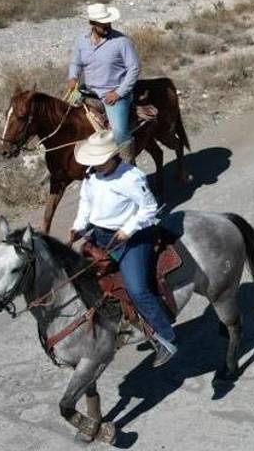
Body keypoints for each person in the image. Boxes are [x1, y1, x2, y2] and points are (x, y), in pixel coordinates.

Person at [70, 130, 177, 365]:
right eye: (93, 162)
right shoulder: (91, 176)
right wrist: (78, 226)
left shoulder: (130, 177)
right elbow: (85, 204)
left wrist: (128, 229)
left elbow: (149, 208)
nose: (95, 166)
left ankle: (166, 337)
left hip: (133, 238)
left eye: (99, 162)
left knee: (136, 288)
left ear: (112, 156)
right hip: (100, 235)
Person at [67, 3, 141, 157]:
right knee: (65, 115)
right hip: (88, 90)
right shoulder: (81, 41)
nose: (107, 26)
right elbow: (76, 62)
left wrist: (119, 93)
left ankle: (129, 165)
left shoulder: (121, 41)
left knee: (119, 133)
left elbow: (134, 68)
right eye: (102, 24)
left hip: (113, 94)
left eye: (108, 22)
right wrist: (73, 76)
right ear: (92, 24)